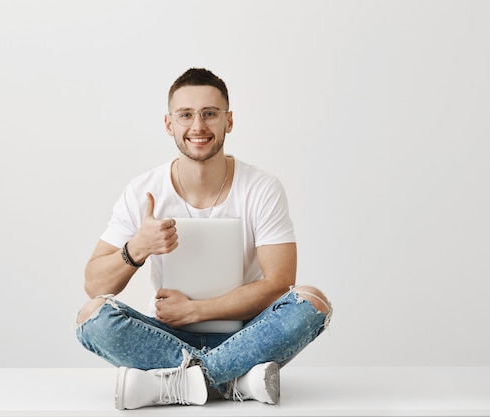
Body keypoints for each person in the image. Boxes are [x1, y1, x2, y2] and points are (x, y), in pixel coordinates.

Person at [75, 68, 332, 410]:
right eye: (186, 115)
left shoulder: (261, 187)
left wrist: (196, 310)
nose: (198, 126)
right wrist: (138, 248)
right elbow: (94, 284)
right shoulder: (142, 190)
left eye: (210, 114)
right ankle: (237, 381)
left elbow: (280, 282)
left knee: (312, 302)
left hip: (247, 334)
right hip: (167, 334)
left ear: (229, 121)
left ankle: (172, 384)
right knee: (91, 316)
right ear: (170, 124)